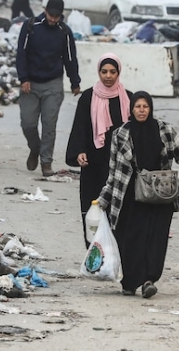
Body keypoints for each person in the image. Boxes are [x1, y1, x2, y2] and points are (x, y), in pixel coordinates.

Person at [97, 91, 179, 298]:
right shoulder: (120, 134)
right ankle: (130, 282)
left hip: (161, 194)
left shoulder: (164, 130)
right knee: (132, 239)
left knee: (156, 239)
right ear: (131, 109)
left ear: (150, 108)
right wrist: (104, 199)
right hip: (131, 196)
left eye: (145, 107)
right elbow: (113, 171)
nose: (141, 110)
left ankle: (149, 280)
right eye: (138, 107)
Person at [66, 54, 131, 248]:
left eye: (112, 72)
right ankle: (94, 250)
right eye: (104, 72)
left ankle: (117, 249)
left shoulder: (128, 98)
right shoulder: (88, 97)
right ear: (98, 72)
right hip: (93, 161)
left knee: (120, 206)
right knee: (92, 205)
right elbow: (80, 127)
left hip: (121, 163)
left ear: (119, 72)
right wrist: (79, 151)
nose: (108, 76)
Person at [16, 0, 80, 177]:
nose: (53, 19)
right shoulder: (30, 27)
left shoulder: (64, 32)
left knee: (49, 125)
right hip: (30, 83)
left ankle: (46, 162)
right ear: (45, 11)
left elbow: (70, 58)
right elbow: (21, 54)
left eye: (57, 16)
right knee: (28, 123)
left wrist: (75, 82)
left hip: (53, 83)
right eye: (51, 15)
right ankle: (35, 148)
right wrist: (24, 78)